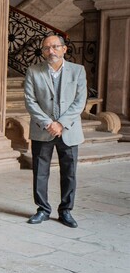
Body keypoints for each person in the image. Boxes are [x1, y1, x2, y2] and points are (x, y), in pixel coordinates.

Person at [24, 34, 87, 228]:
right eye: (46, 48)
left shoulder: (78, 71)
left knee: (69, 172)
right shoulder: (33, 71)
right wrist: (48, 123)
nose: (50, 51)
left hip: (69, 130)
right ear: (42, 52)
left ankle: (65, 211)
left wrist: (61, 123)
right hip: (43, 130)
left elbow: (80, 101)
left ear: (64, 49)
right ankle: (42, 209)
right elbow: (30, 100)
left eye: (55, 47)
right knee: (40, 172)